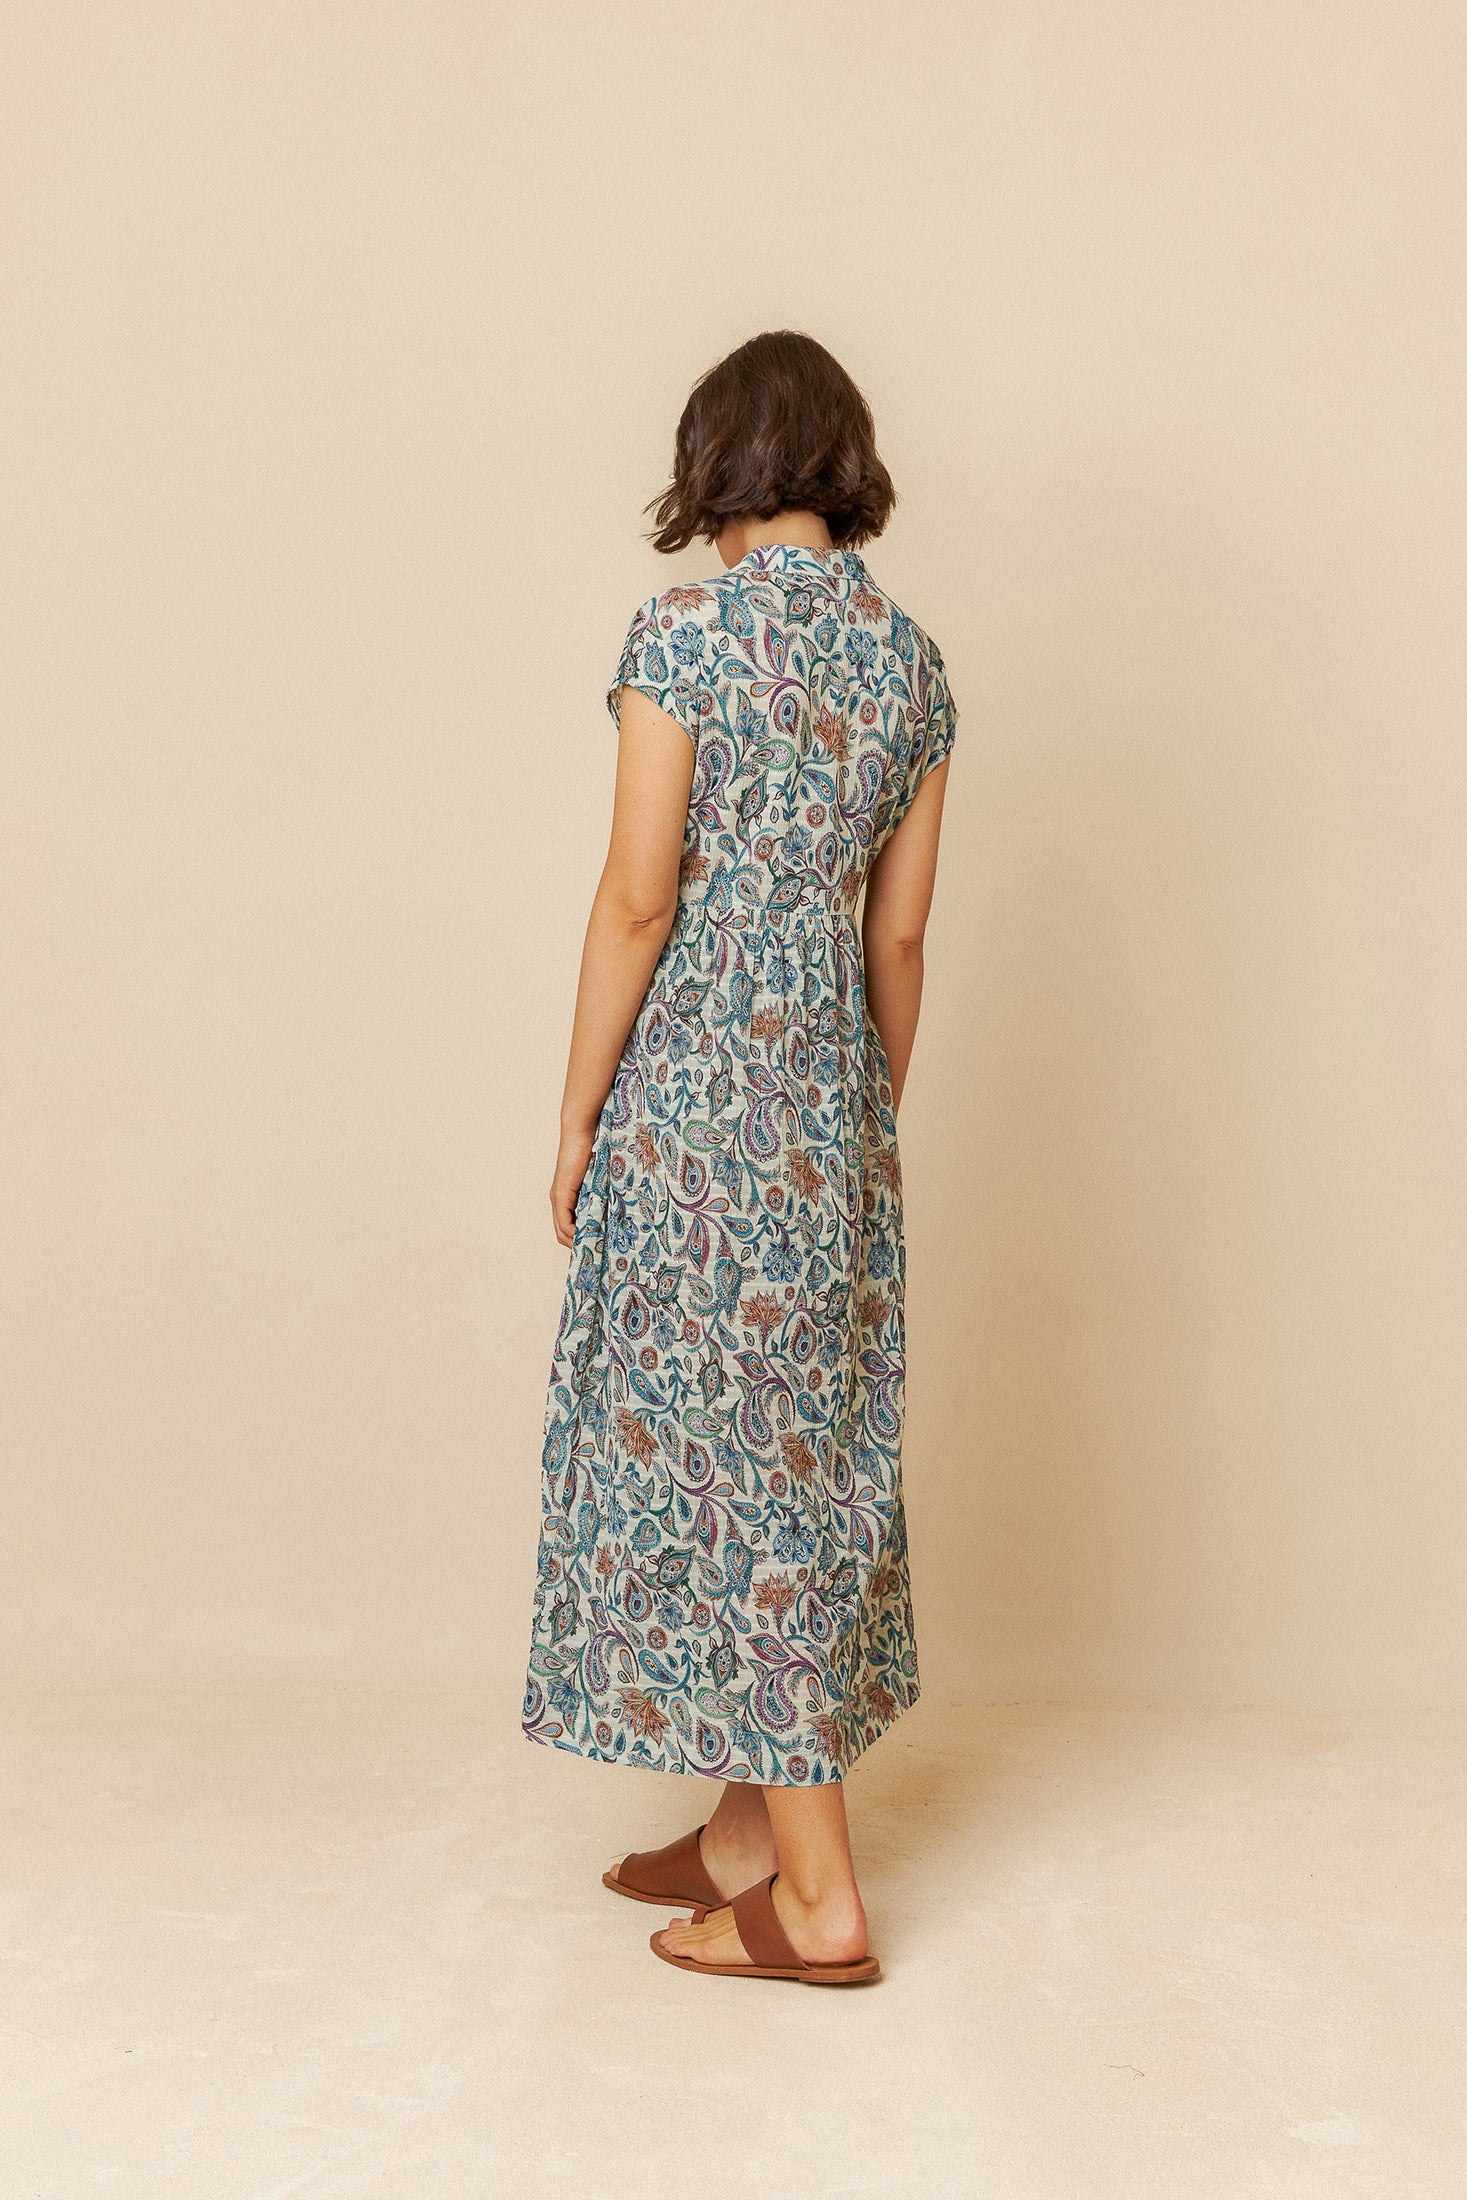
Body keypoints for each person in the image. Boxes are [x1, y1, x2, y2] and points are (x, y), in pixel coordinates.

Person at [523, 330, 957, 1986]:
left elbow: (638, 896)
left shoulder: (687, 642)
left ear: (719, 473)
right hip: (832, 1104)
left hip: (700, 1087)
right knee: (797, 1445)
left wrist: (577, 1111)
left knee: (738, 1458)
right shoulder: (911, 667)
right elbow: (900, 941)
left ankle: (823, 1900)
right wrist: (860, 1112)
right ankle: (739, 1829)